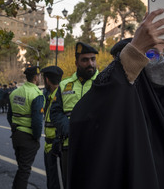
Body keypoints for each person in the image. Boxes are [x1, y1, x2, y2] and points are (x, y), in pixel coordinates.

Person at [67, 9, 164, 189]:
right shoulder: (127, 105)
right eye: (152, 54)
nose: (163, 62)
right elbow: (89, 116)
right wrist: (133, 54)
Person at [50, 42, 99, 188]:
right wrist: (69, 129)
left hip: (97, 146)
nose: (90, 63)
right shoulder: (64, 85)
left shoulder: (104, 82)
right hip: (69, 146)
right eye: (85, 60)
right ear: (76, 62)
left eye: (92, 59)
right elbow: (55, 112)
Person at [7, 66, 44, 189]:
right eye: (39, 76)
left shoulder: (14, 93)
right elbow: (37, 121)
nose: (40, 78)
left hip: (16, 135)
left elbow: (9, 115)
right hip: (28, 137)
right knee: (24, 170)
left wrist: (14, 128)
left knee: (22, 168)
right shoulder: (36, 94)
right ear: (35, 77)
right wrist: (36, 137)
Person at [41, 66, 63, 189]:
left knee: (56, 183)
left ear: (47, 80)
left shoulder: (58, 97)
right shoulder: (51, 97)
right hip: (49, 147)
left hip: (55, 148)